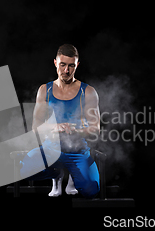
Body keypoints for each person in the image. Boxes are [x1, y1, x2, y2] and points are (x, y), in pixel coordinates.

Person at [20, 44, 101, 198]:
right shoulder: (45, 90)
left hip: (77, 152)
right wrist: (54, 127)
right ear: (56, 63)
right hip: (51, 149)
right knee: (23, 170)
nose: (66, 71)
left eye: (71, 66)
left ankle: (72, 175)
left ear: (77, 65)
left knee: (91, 189)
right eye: (63, 65)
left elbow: (95, 129)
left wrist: (76, 130)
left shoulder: (88, 92)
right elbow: (35, 128)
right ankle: (56, 175)